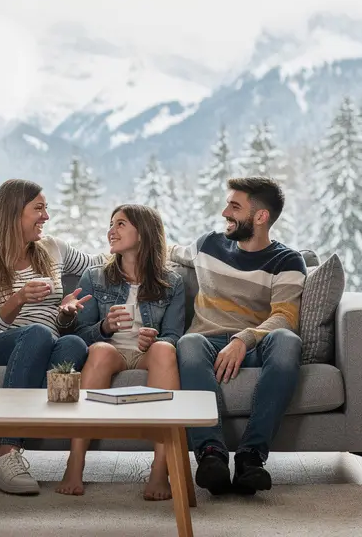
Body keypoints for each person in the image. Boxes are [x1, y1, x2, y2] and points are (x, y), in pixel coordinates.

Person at [0, 178, 105, 496]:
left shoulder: (53, 249)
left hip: (47, 341)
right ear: (13, 214)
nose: (46, 216)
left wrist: (66, 312)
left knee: (74, 343)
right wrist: (18, 299)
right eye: (38, 209)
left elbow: (100, 266)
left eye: (46, 208)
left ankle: (27, 433)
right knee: (39, 334)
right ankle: (5, 452)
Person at [172, 176, 306, 496]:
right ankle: (211, 455)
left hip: (256, 344)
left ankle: (251, 457)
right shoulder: (209, 245)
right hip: (206, 342)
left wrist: (244, 339)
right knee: (187, 343)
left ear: (260, 217)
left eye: (234, 206)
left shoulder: (287, 261)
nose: (224, 212)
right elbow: (169, 250)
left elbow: (285, 317)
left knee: (288, 341)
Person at [55, 204, 185, 501]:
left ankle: (159, 470)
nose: (111, 230)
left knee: (166, 350)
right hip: (111, 349)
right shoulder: (95, 277)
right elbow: (80, 335)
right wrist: (104, 327)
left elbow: (174, 335)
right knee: (99, 351)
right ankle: (75, 463)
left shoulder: (173, 282)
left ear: (144, 232)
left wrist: (155, 338)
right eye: (110, 224)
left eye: (121, 224)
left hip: (147, 352)